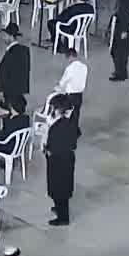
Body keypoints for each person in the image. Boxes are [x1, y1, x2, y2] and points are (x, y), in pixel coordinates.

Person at [44, 95, 79, 226]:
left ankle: (63, 217)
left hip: (58, 161)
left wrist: (48, 150)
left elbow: (53, 144)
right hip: (67, 158)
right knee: (62, 187)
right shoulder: (70, 122)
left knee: (59, 189)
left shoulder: (58, 126)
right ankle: (59, 208)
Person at [0, 24, 30, 111]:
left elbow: (3, 73)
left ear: (11, 36)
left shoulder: (10, 54)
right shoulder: (25, 50)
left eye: (5, 36)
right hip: (20, 88)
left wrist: (0, 92)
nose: (3, 38)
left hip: (9, 90)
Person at [109, 0, 129, 80]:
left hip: (121, 30)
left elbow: (126, 18)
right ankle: (121, 72)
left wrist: (124, 31)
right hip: (122, 30)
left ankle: (120, 74)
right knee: (121, 53)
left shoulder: (126, 2)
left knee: (118, 53)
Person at [57, 50, 87, 119]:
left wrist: (58, 87)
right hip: (79, 96)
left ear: (70, 57)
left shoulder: (69, 69)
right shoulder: (84, 67)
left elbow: (62, 83)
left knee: (68, 117)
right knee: (76, 116)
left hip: (70, 97)